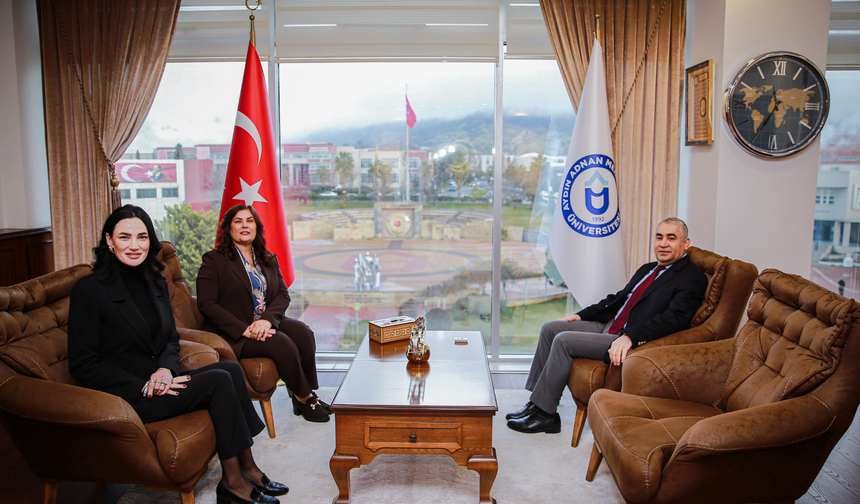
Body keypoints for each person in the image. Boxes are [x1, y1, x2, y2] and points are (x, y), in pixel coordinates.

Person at [68, 205, 287, 504]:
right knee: (219, 381)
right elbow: (83, 364)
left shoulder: (155, 281)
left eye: (142, 237)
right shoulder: (89, 290)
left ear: (150, 240)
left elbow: (170, 338)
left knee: (231, 370)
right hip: (129, 396)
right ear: (109, 240)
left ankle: (247, 468)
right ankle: (233, 482)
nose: (134, 245)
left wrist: (165, 370)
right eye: (125, 237)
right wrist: (144, 385)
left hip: (163, 380)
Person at [506, 217, 708, 434]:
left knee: (563, 341)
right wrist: (580, 315)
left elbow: (674, 319)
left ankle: (546, 415)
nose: (663, 243)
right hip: (610, 326)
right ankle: (536, 404)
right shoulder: (648, 269)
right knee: (551, 328)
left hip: (624, 337)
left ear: (685, 243)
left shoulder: (691, 278)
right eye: (659, 237)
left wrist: (631, 336)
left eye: (671, 238)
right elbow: (618, 298)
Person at [197, 204, 330, 422]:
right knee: (282, 343)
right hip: (234, 332)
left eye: (249, 220)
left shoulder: (267, 258)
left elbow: (283, 295)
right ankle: (305, 398)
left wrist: (267, 321)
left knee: (303, 332)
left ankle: (304, 394)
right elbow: (207, 304)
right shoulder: (214, 260)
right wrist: (245, 330)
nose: (244, 225)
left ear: (256, 227)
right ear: (228, 228)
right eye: (238, 221)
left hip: (262, 321)